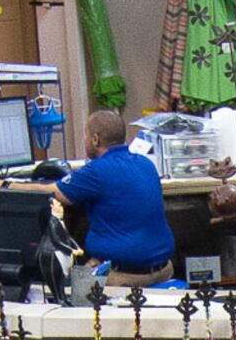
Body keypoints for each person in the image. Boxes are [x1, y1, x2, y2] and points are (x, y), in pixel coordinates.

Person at [55, 116, 176, 278]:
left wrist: (11, 185)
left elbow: (56, 192)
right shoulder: (145, 164)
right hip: (164, 269)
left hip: (127, 277)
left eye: (85, 136)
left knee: (68, 282)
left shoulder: (97, 171)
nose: (84, 140)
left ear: (95, 140)